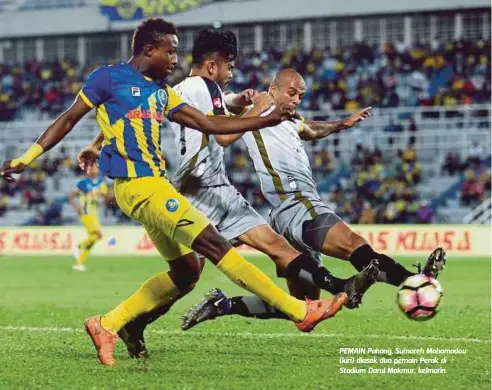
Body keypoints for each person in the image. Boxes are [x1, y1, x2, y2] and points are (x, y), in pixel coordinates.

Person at [1, 19, 347, 367]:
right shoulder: (107, 78)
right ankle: (299, 310)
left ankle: (108, 324)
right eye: (170, 51)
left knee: (186, 274)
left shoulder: (163, 93)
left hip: (154, 186)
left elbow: (210, 124)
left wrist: (262, 121)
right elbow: (67, 118)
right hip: (139, 186)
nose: (174, 59)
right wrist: (25, 158)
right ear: (149, 49)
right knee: (216, 246)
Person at [109, 28, 379, 359]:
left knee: (187, 278)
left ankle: (134, 324)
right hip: (207, 186)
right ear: (213, 66)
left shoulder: (177, 89)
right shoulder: (205, 87)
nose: (231, 74)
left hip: (185, 188)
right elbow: (221, 135)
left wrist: (238, 100)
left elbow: (151, 111)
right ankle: (339, 288)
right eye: (230, 67)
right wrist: (260, 111)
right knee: (273, 246)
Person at [182, 68, 446, 329]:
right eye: (292, 92)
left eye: (301, 95)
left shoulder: (290, 119)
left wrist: (341, 125)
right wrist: (241, 97)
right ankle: (415, 280)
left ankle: (223, 305)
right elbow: (225, 105)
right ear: (273, 89)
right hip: (296, 201)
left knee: (302, 305)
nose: (297, 99)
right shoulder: (258, 108)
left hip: (286, 213)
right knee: (355, 245)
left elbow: (310, 130)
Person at [69, 150, 108, 271]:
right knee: (98, 235)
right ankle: (78, 246)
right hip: (86, 212)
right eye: (91, 168)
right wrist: (76, 208)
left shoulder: (102, 183)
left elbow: (106, 197)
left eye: (95, 167)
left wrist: (103, 194)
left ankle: (79, 263)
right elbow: (72, 196)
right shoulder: (83, 183)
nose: (94, 169)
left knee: (93, 239)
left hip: (95, 213)